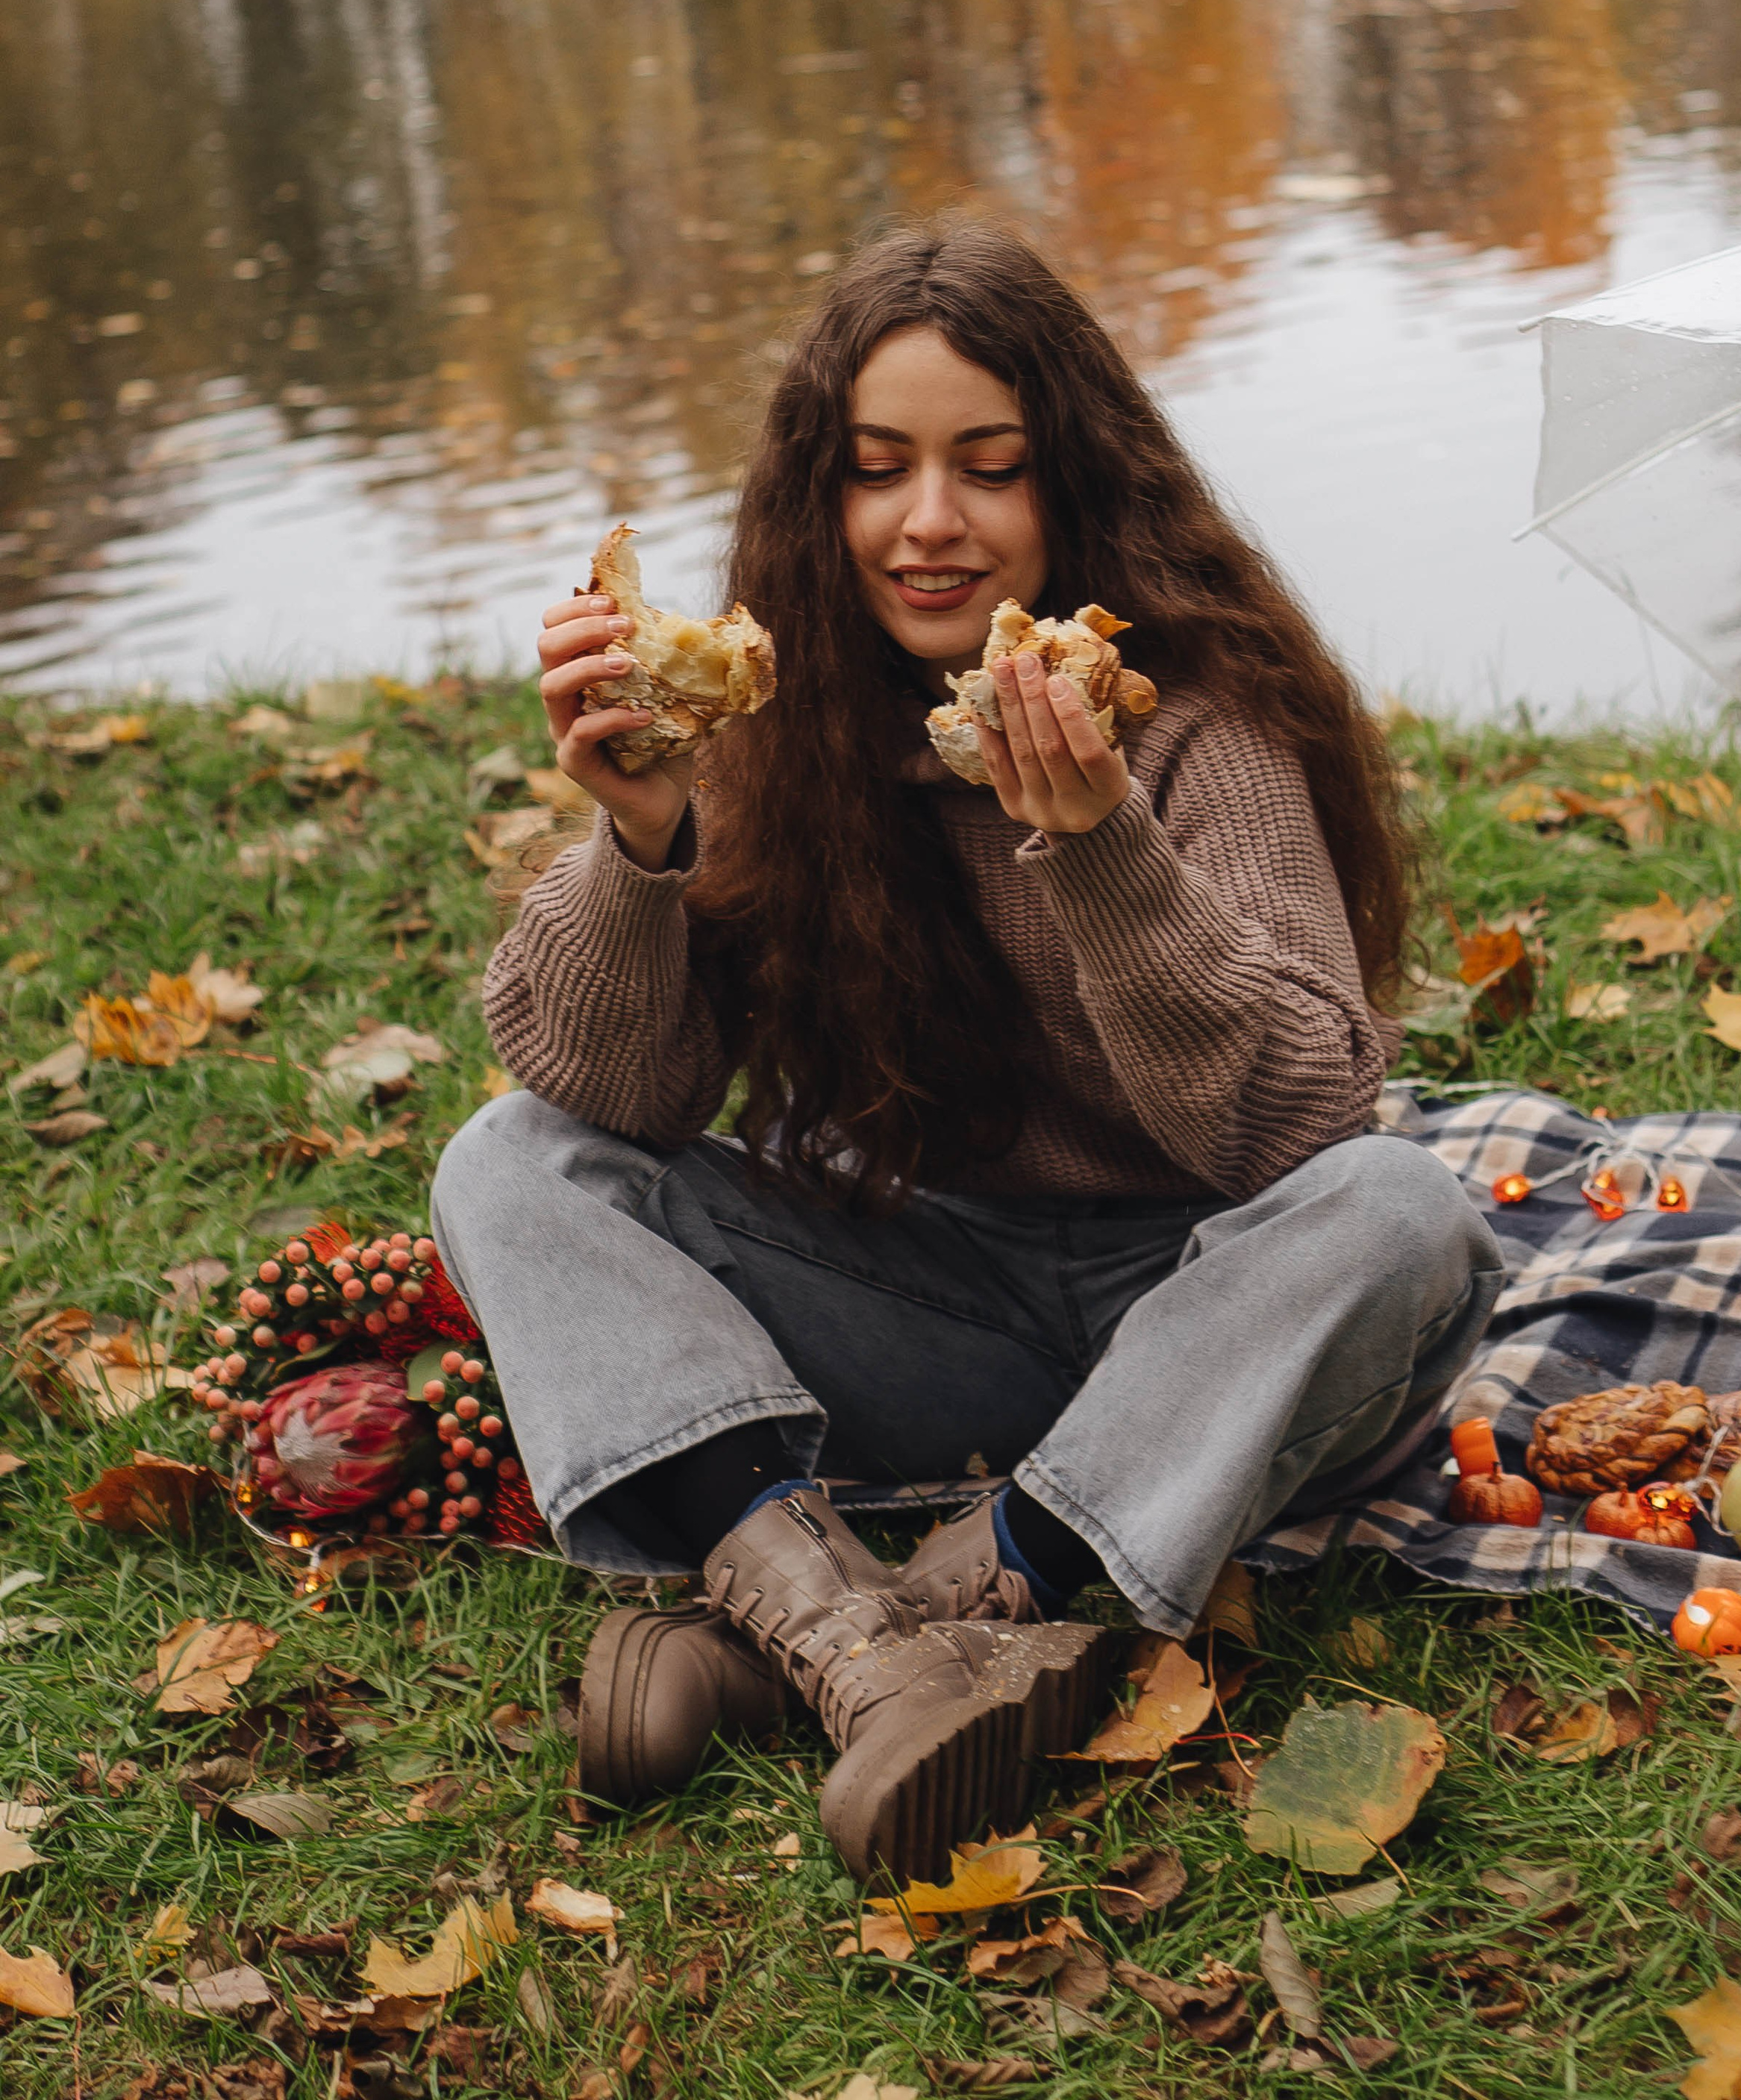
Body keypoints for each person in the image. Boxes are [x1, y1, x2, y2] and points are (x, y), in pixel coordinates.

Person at [430, 221, 1502, 1882]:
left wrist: (1101, 853)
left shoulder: (1201, 722)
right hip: (942, 1309)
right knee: (510, 1160)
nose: (928, 523)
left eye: (985, 469)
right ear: (822, 501)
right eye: (878, 472)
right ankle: (841, 1634)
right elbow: (615, 1096)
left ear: (1067, 487)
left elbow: (1300, 1129)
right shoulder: (776, 731)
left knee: (1403, 1214)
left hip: (1215, 1329)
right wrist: (640, 839)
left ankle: (950, 1603)